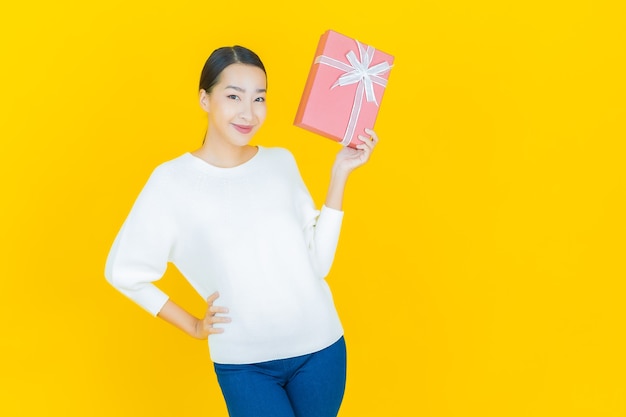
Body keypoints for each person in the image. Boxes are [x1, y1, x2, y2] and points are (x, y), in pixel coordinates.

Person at [105, 45, 379, 417]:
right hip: (245, 364)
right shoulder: (171, 182)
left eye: (259, 98)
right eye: (233, 96)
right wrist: (194, 325)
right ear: (205, 98)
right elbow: (124, 273)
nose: (248, 112)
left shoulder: (280, 162)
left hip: (321, 349)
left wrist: (340, 174)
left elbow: (318, 264)